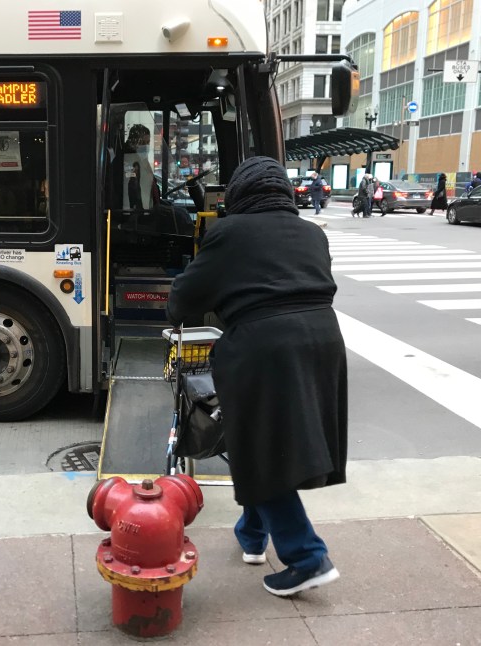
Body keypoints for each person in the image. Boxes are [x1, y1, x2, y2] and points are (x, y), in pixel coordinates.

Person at [167, 156, 347, 597]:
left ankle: (307, 557)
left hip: (264, 347)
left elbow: (183, 301)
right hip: (323, 342)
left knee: (259, 451)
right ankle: (251, 536)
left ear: (240, 193)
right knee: (265, 445)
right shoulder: (312, 232)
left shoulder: (229, 233)